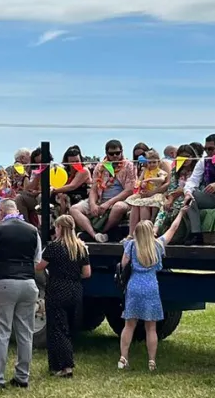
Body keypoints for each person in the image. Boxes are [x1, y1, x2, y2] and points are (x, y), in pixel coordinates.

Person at [0, 197, 41, 389]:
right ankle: (22, 376)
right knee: (25, 332)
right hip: (29, 283)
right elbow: (37, 259)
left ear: (0, 212)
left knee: (1, 332)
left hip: (4, 281)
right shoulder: (32, 230)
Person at [119, 214, 183, 370]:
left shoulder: (131, 245)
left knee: (129, 325)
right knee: (151, 327)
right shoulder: (158, 245)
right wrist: (181, 213)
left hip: (134, 286)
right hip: (151, 287)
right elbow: (173, 228)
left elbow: (123, 264)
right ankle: (152, 361)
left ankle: (123, 358)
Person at [38, 214, 91, 378]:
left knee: (57, 328)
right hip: (75, 289)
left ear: (60, 228)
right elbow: (87, 273)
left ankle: (64, 365)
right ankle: (60, 363)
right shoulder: (81, 247)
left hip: (57, 289)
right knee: (69, 327)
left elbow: (40, 266)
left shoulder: (54, 247)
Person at [77, 139, 136, 240]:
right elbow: (94, 189)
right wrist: (92, 204)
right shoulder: (100, 167)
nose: (115, 156)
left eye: (117, 153)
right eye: (111, 154)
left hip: (121, 201)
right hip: (100, 199)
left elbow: (129, 190)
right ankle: (94, 235)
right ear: (106, 153)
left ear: (122, 152)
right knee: (74, 209)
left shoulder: (129, 166)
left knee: (118, 207)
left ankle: (101, 232)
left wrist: (108, 203)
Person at [122, 143, 171, 228]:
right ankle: (132, 233)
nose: (140, 158)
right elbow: (139, 182)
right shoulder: (144, 169)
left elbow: (167, 182)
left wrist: (152, 192)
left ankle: (144, 231)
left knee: (144, 206)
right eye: (137, 156)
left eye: (142, 155)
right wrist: (142, 186)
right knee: (135, 205)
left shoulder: (162, 165)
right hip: (146, 193)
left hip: (159, 193)